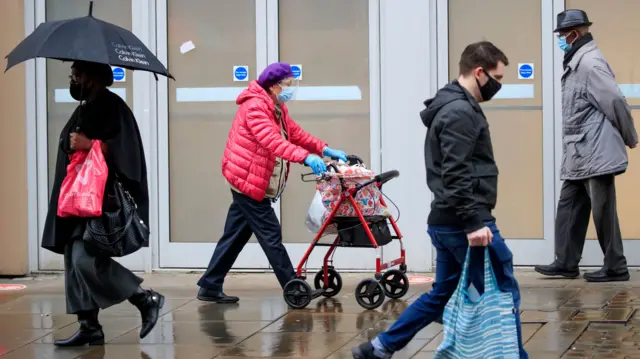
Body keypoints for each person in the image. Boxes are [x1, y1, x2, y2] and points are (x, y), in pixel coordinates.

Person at [352, 41, 528, 359]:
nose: (499, 85)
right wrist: (475, 222)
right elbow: (456, 172)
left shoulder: (452, 105)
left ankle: (378, 348)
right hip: (465, 222)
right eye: (497, 77)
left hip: (447, 221)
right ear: (479, 72)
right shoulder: (460, 112)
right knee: (503, 291)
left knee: (441, 294)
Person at [197, 62, 348, 303]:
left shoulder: (276, 106)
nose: (291, 89)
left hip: (251, 177)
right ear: (274, 85)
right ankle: (294, 288)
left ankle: (210, 284)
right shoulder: (255, 107)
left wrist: (324, 148)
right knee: (270, 233)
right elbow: (272, 141)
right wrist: (305, 157)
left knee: (235, 234)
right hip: (247, 179)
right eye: (288, 84)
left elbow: (295, 134)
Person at [41, 60, 163, 347]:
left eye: (76, 74)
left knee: (85, 262)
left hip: (97, 201)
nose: (72, 79)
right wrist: (70, 143)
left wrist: (90, 145)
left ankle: (145, 299)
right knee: (73, 261)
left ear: (91, 77)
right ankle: (89, 327)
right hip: (76, 201)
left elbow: (125, 152)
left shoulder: (112, 106)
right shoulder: (86, 106)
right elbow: (69, 144)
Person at [534, 10, 638, 283]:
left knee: (603, 210)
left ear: (574, 34)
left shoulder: (590, 63)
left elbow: (615, 100)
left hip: (597, 150)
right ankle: (566, 262)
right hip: (579, 151)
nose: (560, 41)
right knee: (568, 205)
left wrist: (630, 136)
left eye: (561, 36)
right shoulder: (576, 61)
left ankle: (616, 266)